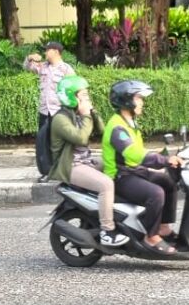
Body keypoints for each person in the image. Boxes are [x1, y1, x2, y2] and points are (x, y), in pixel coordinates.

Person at [48, 76, 129, 247]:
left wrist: (93, 113)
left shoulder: (78, 114)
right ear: (71, 97)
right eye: (82, 95)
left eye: (86, 95)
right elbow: (81, 138)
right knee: (105, 184)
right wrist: (86, 115)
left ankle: (122, 213)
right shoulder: (60, 119)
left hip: (86, 161)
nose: (86, 98)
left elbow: (103, 131)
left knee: (121, 165)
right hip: (71, 166)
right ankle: (108, 231)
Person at [102, 80, 181, 254]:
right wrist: (163, 160)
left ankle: (163, 228)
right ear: (127, 100)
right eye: (139, 98)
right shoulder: (117, 127)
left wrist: (166, 156)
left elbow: (139, 152)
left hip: (134, 171)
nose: (142, 102)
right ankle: (151, 237)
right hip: (120, 176)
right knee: (156, 193)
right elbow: (134, 154)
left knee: (168, 183)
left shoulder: (129, 122)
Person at [24, 41, 75, 129]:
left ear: (56, 52)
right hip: (44, 111)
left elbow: (74, 90)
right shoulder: (43, 66)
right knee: (43, 140)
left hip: (59, 112)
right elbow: (27, 67)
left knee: (57, 141)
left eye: (48, 50)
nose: (45, 52)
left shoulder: (66, 69)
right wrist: (30, 57)